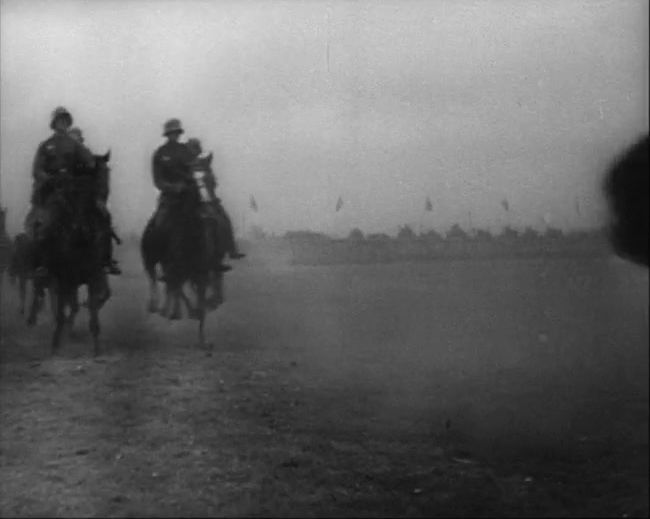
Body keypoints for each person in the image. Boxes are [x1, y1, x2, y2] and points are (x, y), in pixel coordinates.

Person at [27, 107, 96, 278]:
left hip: (73, 192)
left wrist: (86, 169)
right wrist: (48, 178)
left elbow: (90, 162)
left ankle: (97, 264)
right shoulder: (45, 146)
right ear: (54, 123)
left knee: (94, 223)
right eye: (59, 121)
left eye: (65, 121)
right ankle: (41, 264)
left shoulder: (75, 145)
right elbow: (36, 170)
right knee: (47, 224)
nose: (62, 124)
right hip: (52, 193)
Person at [185, 137, 245, 271]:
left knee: (224, 220)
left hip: (209, 201)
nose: (194, 151)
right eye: (192, 149)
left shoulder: (205, 164)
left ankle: (231, 250)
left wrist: (210, 185)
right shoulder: (184, 165)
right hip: (191, 202)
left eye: (196, 148)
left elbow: (213, 183)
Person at [68, 127, 121, 274]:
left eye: (77, 140)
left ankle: (107, 259)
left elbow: (100, 177)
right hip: (66, 196)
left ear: (81, 141)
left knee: (105, 217)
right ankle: (42, 263)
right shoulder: (63, 157)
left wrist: (99, 198)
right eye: (71, 140)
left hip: (86, 197)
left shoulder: (89, 157)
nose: (74, 143)